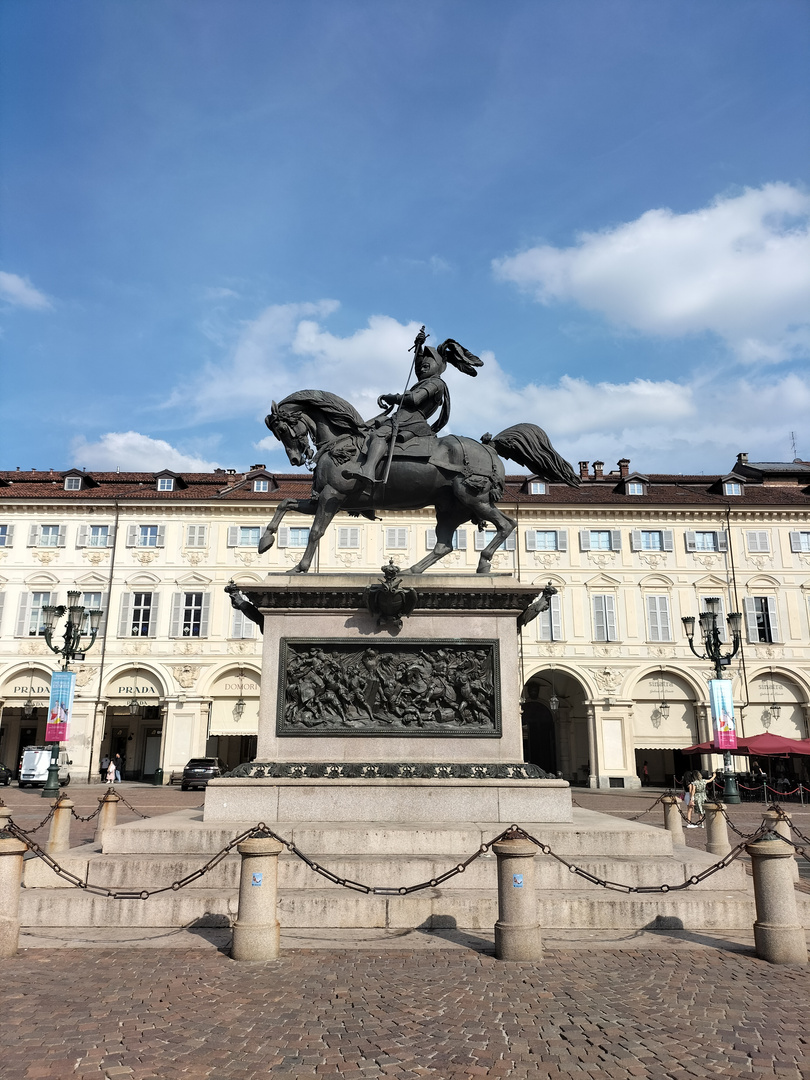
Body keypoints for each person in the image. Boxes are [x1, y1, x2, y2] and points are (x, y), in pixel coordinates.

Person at [342, 331, 481, 490]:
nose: (422, 368)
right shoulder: (426, 380)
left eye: (426, 366)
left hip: (411, 421)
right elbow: (418, 366)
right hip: (402, 419)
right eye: (422, 366)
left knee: (378, 435)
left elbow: (415, 399)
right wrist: (419, 346)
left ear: (437, 366)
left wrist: (392, 397)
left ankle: (367, 470)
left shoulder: (436, 383)